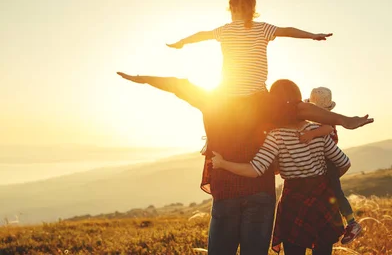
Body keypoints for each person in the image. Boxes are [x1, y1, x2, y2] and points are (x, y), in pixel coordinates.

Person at [117, 72, 371, 255]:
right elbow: (307, 117)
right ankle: (348, 222)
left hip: (238, 192)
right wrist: (343, 122)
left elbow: (178, 84)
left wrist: (143, 78)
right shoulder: (273, 109)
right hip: (274, 193)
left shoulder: (219, 103)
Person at [212, 79, 351, 255]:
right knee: (323, 249)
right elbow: (344, 163)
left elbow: (255, 170)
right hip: (322, 199)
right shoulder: (319, 131)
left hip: (293, 200)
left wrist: (223, 163)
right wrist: (325, 183)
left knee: (293, 249)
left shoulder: (276, 136)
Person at [298, 87, 362, 244]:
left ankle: (352, 223)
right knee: (331, 192)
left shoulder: (326, 121)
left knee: (336, 192)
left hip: (329, 161)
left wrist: (310, 135)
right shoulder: (318, 120)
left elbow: (326, 130)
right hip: (322, 159)